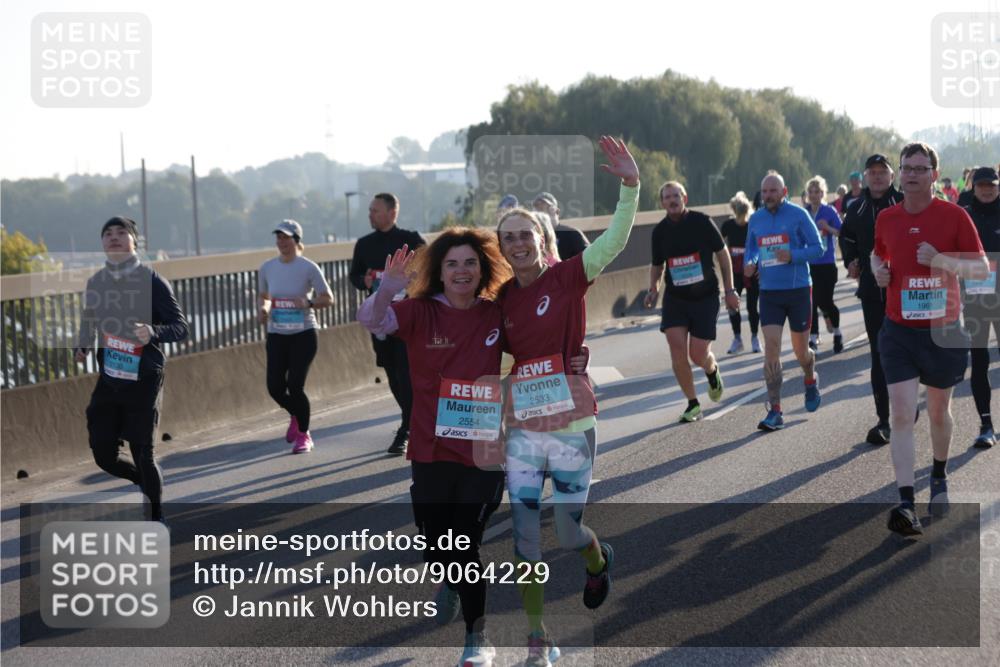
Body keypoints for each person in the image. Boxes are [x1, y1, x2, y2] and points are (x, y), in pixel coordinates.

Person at [498, 135, 638, 666]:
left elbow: (615, 241)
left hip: (574, 421)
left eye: (525, 234)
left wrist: (631, 187)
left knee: (566, 531)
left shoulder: (568, 276)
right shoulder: (502, 302)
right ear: (502, 245)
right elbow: (477, 350)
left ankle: (598, 560)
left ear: (541, 236)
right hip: (526, 431)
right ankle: (536, 634)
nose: (517, 243)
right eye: (508, 236)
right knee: (525, 533)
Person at [357, 228, 513, 667]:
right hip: (431, 451)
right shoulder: (420, 312)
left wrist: (573, 360)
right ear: (439, 272)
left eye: (469, 263)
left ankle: (477, 637)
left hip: (483, 453)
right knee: (436, 548)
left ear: (482, 269)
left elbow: (537, 345)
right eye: (452, 264)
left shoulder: (494, 313)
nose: (462, 271)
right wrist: (387, 288)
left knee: (465, 545)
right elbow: (369, 319)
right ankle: (447, 578)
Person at [872, 142, 988, 536]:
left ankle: (938, 474)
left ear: (934, 175)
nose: (912, 174)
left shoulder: (954, 216)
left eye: (921, 168)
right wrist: (878, 272)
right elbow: (878, 254)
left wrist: (941, 260)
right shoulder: (887, 218)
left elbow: (980, 268)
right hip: (899, 330)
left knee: (938, 412)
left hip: (944, 331)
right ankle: (906, 502)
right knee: (902, 413)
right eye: (907, 168)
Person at [74, 216, 189, 523]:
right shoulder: (96, 282)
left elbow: (180, 328)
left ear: (134, 241)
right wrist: (83, 344)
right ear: (102, 243)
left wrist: (153, 332)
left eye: (121, 232)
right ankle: (146, 481)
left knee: (143, 451)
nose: (113, 237)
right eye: (107, 233)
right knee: (103, 454)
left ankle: (154, 517)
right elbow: (89, 322)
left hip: (144, 378)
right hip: (110, 379)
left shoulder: (152, 280)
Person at [644, 180, 739, 422]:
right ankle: (693, 403)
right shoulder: (659, 232)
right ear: (662, 203)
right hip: (676, 298)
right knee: (676, 350)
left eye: (676, 195)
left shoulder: (702, 222)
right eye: (667, 197)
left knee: (697, 354)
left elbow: (723, 255)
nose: (672, 200)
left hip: (705, 297)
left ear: (685, 198)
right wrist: (653, 288)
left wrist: (729, 290)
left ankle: (711, 369)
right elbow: (657, 265)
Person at [744, 172, 825, 431]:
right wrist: (750, 264)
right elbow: (751, 251)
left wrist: (792, 255)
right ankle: (775, 410)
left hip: (798, 289)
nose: (768, 196)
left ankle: (810, 379)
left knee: (801, 352)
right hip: (769, 293)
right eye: (764, 191)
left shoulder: (799, 215)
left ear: (784, 191)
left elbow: (819, 248)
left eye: (773, 191)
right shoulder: (755, 219)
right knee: (771, 347)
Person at [349, 193, 427, 455]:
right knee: (392, 372)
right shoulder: (364, 244)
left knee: (407, 373)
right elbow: (355, 276)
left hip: (406, 317)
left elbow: (428, 269)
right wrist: (366, 282)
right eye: (370, 210)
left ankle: (407, 428)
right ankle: (409, 422)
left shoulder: (410, 239)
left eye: (375, 210)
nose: (370, 215)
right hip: (379, 318)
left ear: (393, 212)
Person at [839, 154, 904, 445]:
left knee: (907, 352)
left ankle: (908, 401)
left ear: (892, 176)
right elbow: (847, 237)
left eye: (883, 172)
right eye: (872, 172)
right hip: (871, 292)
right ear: (865, 176)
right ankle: (884, 421)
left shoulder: (903, 202)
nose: (877, 177)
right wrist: (851, 260)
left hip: (905, 291)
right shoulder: (857, 207)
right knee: (878, 355)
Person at [258, 220, 333, 454]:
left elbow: (328, 298)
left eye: (287, 238)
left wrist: (308, 302)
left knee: (295, 385)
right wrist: (264, 308)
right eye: (279, 238)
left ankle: (304, 434)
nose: (282, 243)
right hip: (277, 333)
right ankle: (296, 414)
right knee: (275, 387)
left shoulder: (308, 267)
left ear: (297, 241)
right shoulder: (267, 268)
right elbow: (265, 296)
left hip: (304, 333)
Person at [962, 166, 1000, 449]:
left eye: (992, 185)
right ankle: (986, 424)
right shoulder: (963, 215)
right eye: (982, 185)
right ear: (974, 187)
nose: (987, 190)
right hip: (975, 299)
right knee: (980, 361)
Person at [804, 176, 844, 353]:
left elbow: (841, 232)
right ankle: (813, 339)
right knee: (811, 302)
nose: (814, 195)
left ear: (823, 193)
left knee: (826, 301)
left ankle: (837, 332)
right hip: (809, 264)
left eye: (817, 192)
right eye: (811, 192)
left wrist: (827, 227)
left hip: (827, 264)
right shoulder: (803, 213)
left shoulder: (829, 212)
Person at [721, 191, 761, 354]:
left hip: (751, 271)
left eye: (743, 214)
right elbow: (718, 246)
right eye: (738, 215)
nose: (741, 219)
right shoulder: (728, 226)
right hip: (735, 272)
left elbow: (761, 246)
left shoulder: (754, 225)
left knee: (752, 307)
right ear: (734, 211)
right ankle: (737, 338)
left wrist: (760, 267)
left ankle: (754, 338)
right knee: (733, 306)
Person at [532, 191, 590, 261]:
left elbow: (589, 261)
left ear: (557, 212)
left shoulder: (572, 234)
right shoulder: (531, 236)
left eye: (548, 209)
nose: (544, 213)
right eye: (539, 210)